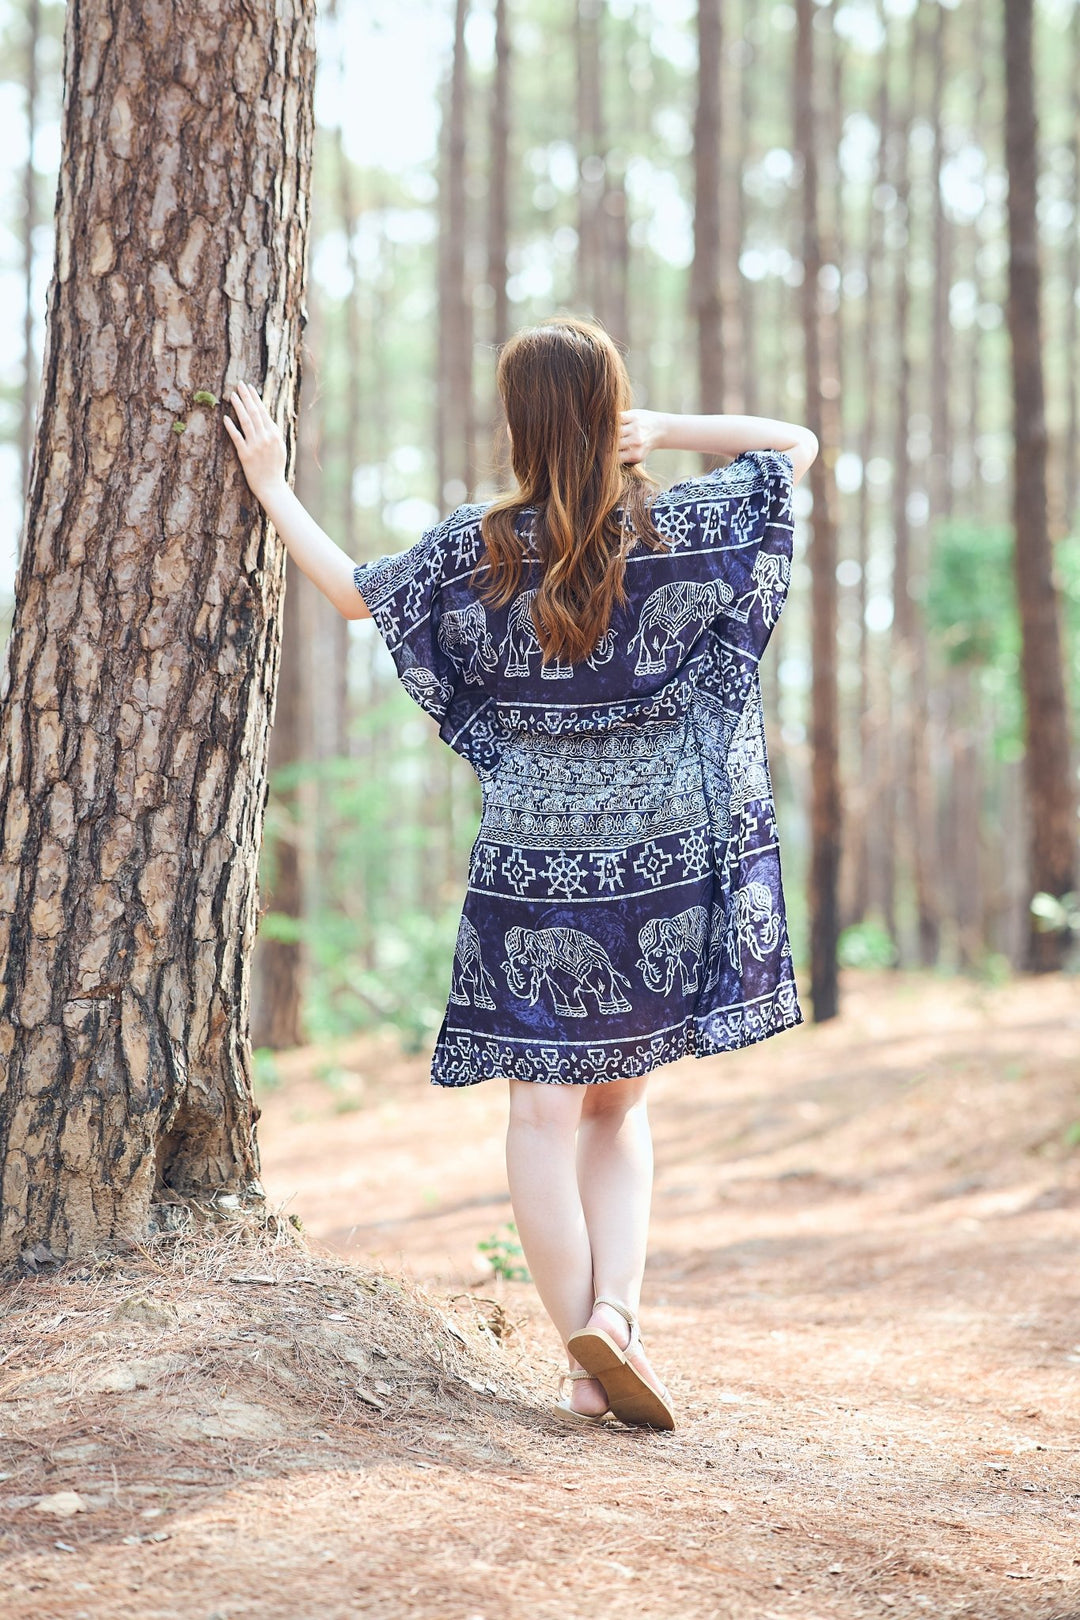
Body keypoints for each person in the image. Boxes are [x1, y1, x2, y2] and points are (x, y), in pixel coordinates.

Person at [224, 314, 818, 1432]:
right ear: (611, 411)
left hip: (533, 861)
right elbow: (794, 447)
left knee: (541, 1114)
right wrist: (666, 428)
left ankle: (584, 1359)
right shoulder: (681, 525)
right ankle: (619, 1316)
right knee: (619, 1107)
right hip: (665, 855)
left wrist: (270, 484)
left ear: (515, 423)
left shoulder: (483, 546)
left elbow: (353, 592)